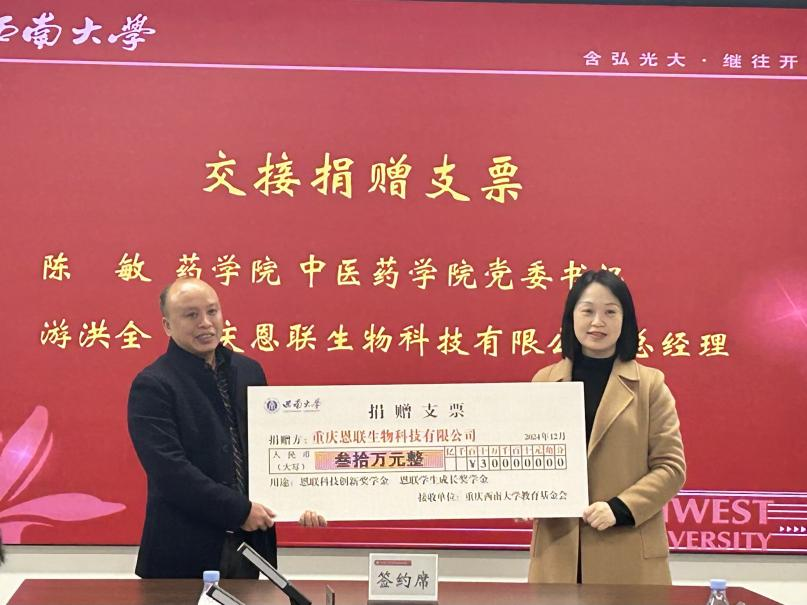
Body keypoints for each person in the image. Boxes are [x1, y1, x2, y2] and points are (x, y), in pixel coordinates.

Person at [128, 277, 325, 578]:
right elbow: (171, 473)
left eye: (212, 311)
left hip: (251, 547)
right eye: (191, 315)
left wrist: (302, 498)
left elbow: (271, 449)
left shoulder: (249, 371)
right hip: (183, 554)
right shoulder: (153, 385)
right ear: (167, 325)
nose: (206, 323)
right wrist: (239, 511)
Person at [528, 270, 685, 584]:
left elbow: (671, 468)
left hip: (626, 551)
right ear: (571, 317)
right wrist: (522, 494)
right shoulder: (544, 381)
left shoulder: (650, 385)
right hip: (558, 555)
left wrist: (620, 507)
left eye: (610, 312)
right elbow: (529, 458)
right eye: (587, 311)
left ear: (625, 320)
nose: (597, 322)